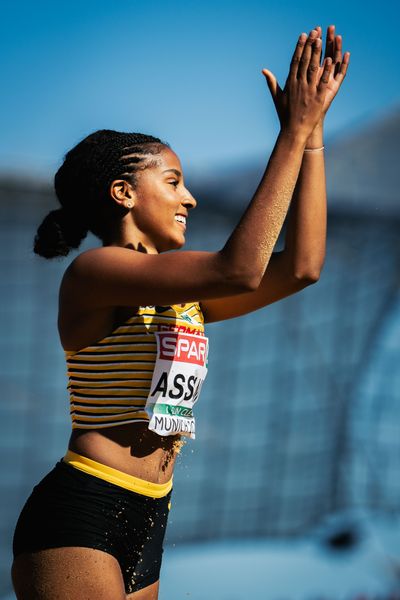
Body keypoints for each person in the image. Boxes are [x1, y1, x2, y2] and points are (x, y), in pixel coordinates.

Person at [11, 25, 349, 600]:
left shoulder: (181, 297)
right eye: (173, 181)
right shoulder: (96, 273)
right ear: (124, 192)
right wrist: (288, 134)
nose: (189, 198)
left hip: (150, 513)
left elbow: (303, 268)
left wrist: (311, 135)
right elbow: (239, 269)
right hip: (82, 508)